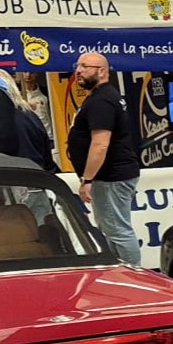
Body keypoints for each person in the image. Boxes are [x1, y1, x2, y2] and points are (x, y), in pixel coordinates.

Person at [65, 50, 144, 266]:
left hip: (110, 176)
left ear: (101, 71)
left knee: (117, 230)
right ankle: (121, 273)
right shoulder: (102, 97)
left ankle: (135, 277)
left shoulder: (102, 101)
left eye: (84, 66)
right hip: (109, 176)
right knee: (111, 229)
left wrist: (87, 179)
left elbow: (100, 144)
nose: (78, 71)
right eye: (77, 66)